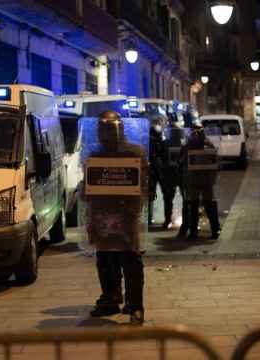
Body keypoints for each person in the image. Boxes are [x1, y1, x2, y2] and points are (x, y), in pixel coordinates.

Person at [84, 111, 148, 325]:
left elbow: (144, 184)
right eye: (103, 130)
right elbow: (88, 191)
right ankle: (112, 298)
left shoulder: (135, 153)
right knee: (106, 261)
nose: (106, 134)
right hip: (103, 217)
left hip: (126, 216)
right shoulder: (96, 156)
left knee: (130, 262)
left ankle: (134, 304)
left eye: (109, 129)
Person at [176, 123, 221, 240]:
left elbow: (180, 162)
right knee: (209, 204)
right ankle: (215, 230)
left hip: (192, 181)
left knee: (193, 205)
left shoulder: (188, 146)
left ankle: (193, 232)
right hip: (206, 180)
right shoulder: (209, 145)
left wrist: (181, 179)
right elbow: (215, 162)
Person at [148, 120, 169, 226]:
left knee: (164, 194)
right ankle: (149, 218)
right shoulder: (153, 143)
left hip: (158, 170)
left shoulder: (161, 143)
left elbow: (166, 157)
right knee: (150, 195)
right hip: (155, 170)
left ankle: (166, 219)